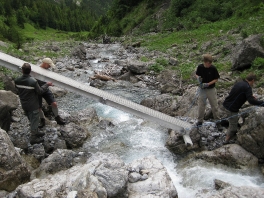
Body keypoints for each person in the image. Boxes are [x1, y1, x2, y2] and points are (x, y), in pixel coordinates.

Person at [15, 63, 53, 144]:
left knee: (30, 118)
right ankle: (33, 138)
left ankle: (36, 132)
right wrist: (47, 84)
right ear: (30, 71)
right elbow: (40, 91)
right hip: (32, 104)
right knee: (34, 120)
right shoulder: (33, 81)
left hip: (24, 103)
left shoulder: (17, 80)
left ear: (22, 70)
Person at [223, 73, 264, 144]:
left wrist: (250, 96)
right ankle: (226, 141)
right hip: (232, 108)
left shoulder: (240, 83)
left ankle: (225, 126)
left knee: (231, 120)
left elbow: (240, 93)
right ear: (253, 80)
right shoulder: (247, 87)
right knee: (233, 127)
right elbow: (251, 101)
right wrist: (262, 103)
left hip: (226, 104)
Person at [196, 54, 222, 130]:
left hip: (211, 89)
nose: (210, 64)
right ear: (205, 62)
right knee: (201, 105)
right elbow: (197, 74)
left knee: (214, 105)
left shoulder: (213, 68)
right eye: (208, 63)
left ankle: (217, 121)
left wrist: (208, 84)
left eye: (211, 63)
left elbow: (216, 79)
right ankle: (200, 121)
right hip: (202, 89)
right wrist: (199, 79)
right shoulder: (200, 67)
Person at [38, 58, 66, 127]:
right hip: (37, 90)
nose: (50, 67)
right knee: (38, 108)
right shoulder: (36, 70)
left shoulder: (47, 70)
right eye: (49, 65)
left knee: (54, 103)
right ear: (45, 63)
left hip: (45, 89)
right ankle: (42, 120)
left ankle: (57, 118)